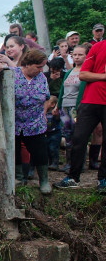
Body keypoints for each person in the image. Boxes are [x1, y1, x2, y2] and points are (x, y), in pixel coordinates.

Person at [55, 40, 106, 193]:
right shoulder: (98, 46)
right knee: (78, 138)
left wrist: (96, 76)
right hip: (90, 101)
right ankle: (73, 177)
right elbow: (83, 74)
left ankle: (103, 180)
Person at [11, 50, 52, 194]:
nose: (41, 70)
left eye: (43, 67)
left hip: (35, 121)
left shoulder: (42, 78)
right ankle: (19, 178)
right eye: (39, 67)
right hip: (14, 121)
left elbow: (46, 98)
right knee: (14, 149)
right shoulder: (12, 74)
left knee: (40, 151)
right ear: (28, 64)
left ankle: (44, 181)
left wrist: (44, 113)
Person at [55, 45, 88, 174]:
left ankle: (79, 164)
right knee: (67, 135)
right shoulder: (69, 72)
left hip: (76, 107)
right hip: (65, 107)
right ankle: (69, 163)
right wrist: (58, 105)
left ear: (86, 56)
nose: (77, 57)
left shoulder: (85, 73)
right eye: (75, 55)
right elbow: (63, 90)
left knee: (78, 135)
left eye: (80, 55)